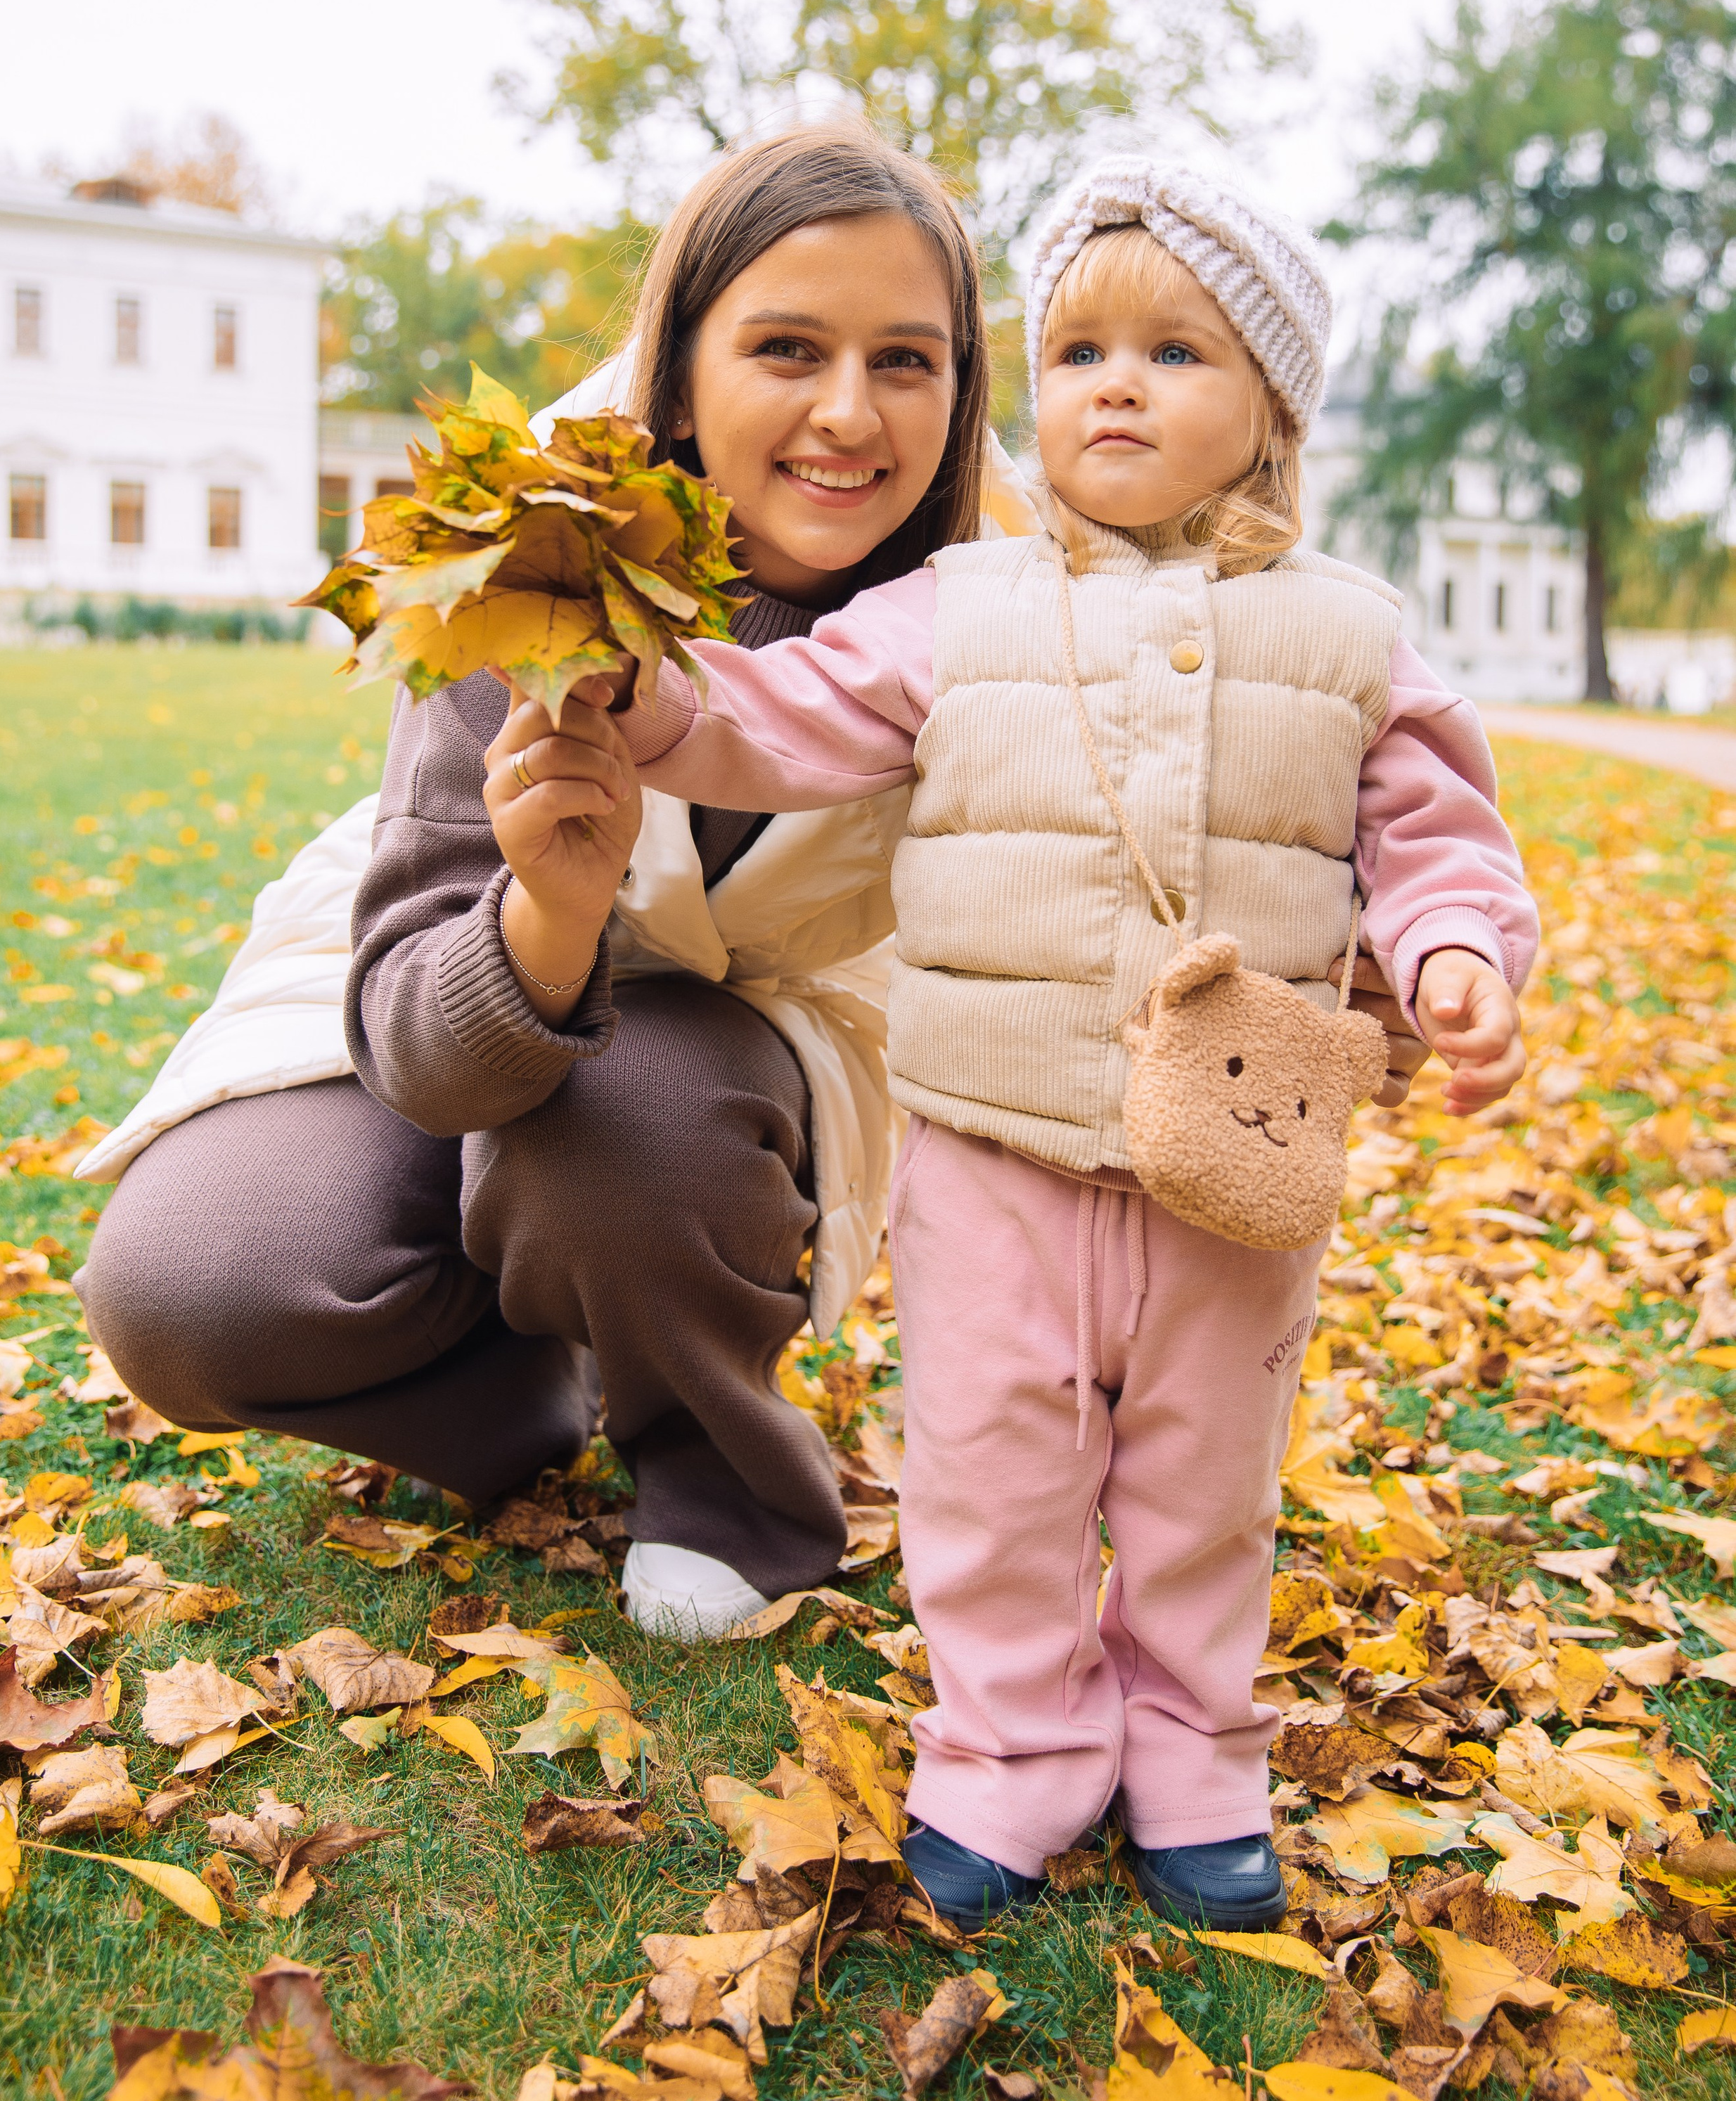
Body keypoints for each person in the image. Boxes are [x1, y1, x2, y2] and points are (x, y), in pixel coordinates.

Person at [505, 157, 1537, 1924]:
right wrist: (635, 692)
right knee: (991, 1471)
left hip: (1232, 1154)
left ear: (1270, 408)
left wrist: (1453, 955)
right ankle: (1008, 1750)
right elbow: (773, 714)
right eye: (1073, 351)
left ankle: (1196, 1751)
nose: (1114, 384)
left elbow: (1437, 834)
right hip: (989, 1143)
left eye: (1174, 354)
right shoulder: (953, 609)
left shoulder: (1350, 636)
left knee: (1205, 1476)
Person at [75, 124, 1009, 1637]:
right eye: (785, 347)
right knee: (191, 1286)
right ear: (680, 366)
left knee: (625, 1125)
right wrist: (549, 914)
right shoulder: (521, 568)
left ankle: (725, 1481)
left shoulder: (1003, 609)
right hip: (446, 975)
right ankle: (518, 1396)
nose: (848, 413)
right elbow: (427, 1057)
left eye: (905, 361)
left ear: (960, 390)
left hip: (733, 1047)